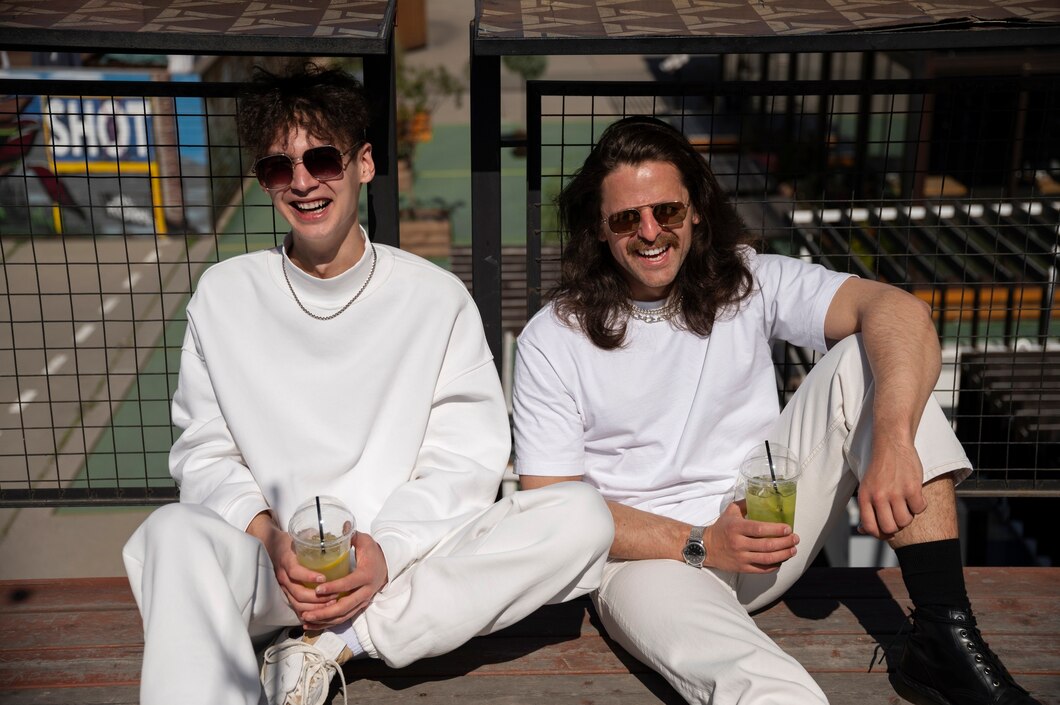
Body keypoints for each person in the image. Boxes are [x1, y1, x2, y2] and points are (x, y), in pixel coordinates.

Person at [122, 63, 613, 705]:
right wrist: (272, 542)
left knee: (580, 517)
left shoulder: (435, 299)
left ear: (364, 164)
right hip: (275, 572)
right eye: (278, 168)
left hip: (400, 569)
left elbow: (464, 462)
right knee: (169, 532)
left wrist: (384, 549)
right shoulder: (223, 295)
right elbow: (205, 453)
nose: (301, 182)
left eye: (322, 159)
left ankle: (330, 650)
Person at [512, 116, 1041, 705]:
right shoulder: (553, 338)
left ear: (697, 212)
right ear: (599, 230)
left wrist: (892, 439)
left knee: (870, 359)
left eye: (668, 211)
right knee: (776, 692)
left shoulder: (748, 282)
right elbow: (552, 503)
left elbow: (898, 311)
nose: (650, 231)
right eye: (625, 219)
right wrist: (700, 541)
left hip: (767, 531)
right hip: (649, 561)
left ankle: (944, 633)